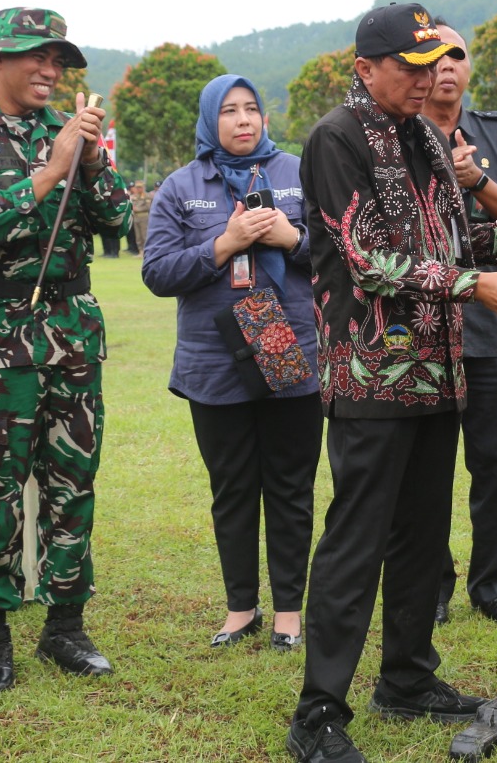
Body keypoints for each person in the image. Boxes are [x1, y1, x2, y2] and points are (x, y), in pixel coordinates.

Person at [286, 3, 497, 763]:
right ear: (366, 67)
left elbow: (459, 235)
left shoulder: (427, 132)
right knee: (355, 541)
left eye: (435, 63)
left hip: (440, 367)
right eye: (412, 65)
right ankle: (318, 712)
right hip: (370, 370)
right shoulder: (337, 137)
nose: (429, 77)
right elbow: (367, 260)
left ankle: (406, 677)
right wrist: (474, 284)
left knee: (423, 535)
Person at [0, 7, 131, 693]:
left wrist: (94, 158)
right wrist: (49, 172)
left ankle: (66, 626)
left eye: (59, 62)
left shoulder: (71, 131)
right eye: (38, 59)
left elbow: (114, 221)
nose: (51, 72)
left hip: (71, 330)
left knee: (73, 482)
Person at [142, 74, 322, 652]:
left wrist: (292, 240)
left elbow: (345, 255)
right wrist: (224, 243)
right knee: (233, 489)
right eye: (229, 111)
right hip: (216, 362)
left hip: (293, 350)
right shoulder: (181, 186)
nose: (243, 120)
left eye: (252, 109)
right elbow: (157, 273)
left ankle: (289, 613)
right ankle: (240, 608)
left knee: (292, 487)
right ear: (209, 120)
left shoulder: (301, 172)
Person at [421, 20, 497, 626]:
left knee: (495, 464)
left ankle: (491, 584)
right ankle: (432, 585)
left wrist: (477, 181)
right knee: (428, 468)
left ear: (469, 65)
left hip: (490, 327)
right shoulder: (395, 136)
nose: (445, 65)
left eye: (456, 54)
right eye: (433, 54)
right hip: (423, 329)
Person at [126, 180, 151, 255]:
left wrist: (137, 209)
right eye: (137, 187)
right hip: (136, 218)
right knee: (138, 236)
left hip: (144, 217)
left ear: (143, 187)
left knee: (144, 235)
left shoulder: (147, 196)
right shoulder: (134, 196)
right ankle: (140, 251)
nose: (138, 189)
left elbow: (148, 207)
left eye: (140, 187)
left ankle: (146, 252)